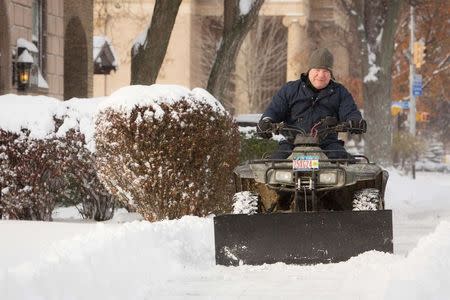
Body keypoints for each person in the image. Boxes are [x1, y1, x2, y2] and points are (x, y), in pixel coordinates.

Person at [257, 47, 367, 159]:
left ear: (331, 74)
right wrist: (266, 121)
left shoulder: (339, 92)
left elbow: (350, 110)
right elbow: (274, 109)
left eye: (325, 71)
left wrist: (354, 121)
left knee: (344, 164)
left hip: (328, 145)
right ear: (309, 70)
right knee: (273, 166)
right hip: (292, 144)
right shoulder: (290, 90)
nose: (321, 75)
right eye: (317, 70)